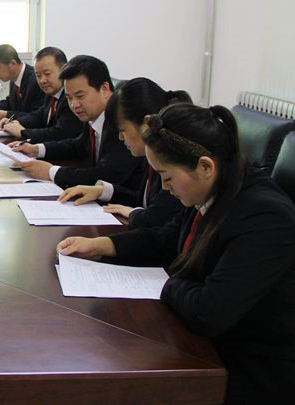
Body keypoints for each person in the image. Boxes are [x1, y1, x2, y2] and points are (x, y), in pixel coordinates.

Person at [57, 103, 295, 402]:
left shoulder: (265, 216)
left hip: (247, 371)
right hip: (205, 345)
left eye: (167, 177)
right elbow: (169, 239)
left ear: (205, 167)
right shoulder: (216, 188)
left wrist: (167, 283)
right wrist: (104, 245)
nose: (164, 187)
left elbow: (209, 311)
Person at [58, 78, 189, 229]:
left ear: (146, 124)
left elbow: (156, 217)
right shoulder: (148, 156)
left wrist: (134, 214)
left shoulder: (173, 162)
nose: (120, 137)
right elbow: (142, 200)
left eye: (122, 130)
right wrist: (102, 191)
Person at [10, 55, 143, 189]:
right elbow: (77, 146)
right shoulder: (93, 116)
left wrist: (51, 172)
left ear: (104, 89)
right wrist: (36, 149)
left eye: (80, 96)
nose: (74, 105)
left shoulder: (121, 124)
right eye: (69, 98)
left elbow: (106, 175)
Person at [0, 46, 84, 142]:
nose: (42, 80)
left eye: (47, 74)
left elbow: (60, 133)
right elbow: (38, 116)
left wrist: (23, 132)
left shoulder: (70, 98)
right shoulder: (51, 95)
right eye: (38, 75)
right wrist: (13, 122)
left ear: (63, 70)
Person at [0, 44, 44, 120]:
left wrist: (7, 115)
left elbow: (37, 117)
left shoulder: (36, 80)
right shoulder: (14, 78)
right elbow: (10, 103)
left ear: (12, 63)